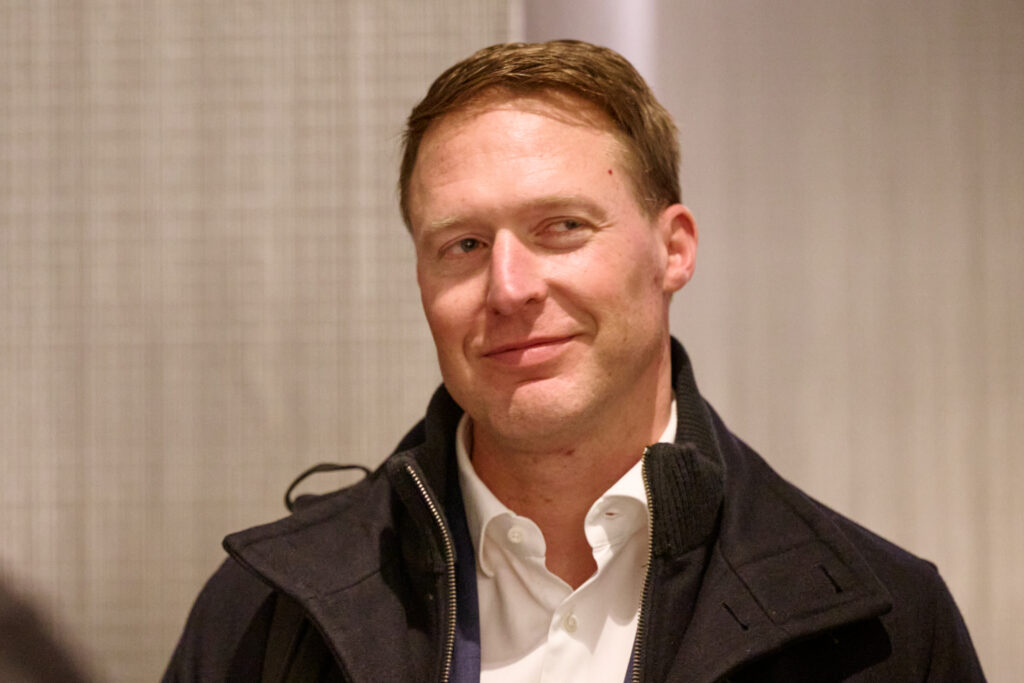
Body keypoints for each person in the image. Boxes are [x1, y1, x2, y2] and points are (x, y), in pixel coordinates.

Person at [164, 40, 984, 682]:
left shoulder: (883, 632)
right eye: (464, 244)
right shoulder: (265, 616)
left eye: (561, 227)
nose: (509, 287)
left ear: (673, 249)